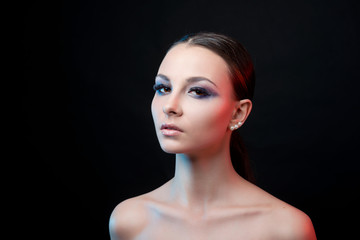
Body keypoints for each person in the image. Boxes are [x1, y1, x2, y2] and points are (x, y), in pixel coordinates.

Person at [109, 32, 317, 240]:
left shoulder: (287, 229)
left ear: (238, 113)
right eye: (163, 88)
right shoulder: (129, 221)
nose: (170, 107)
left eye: (198, 91)